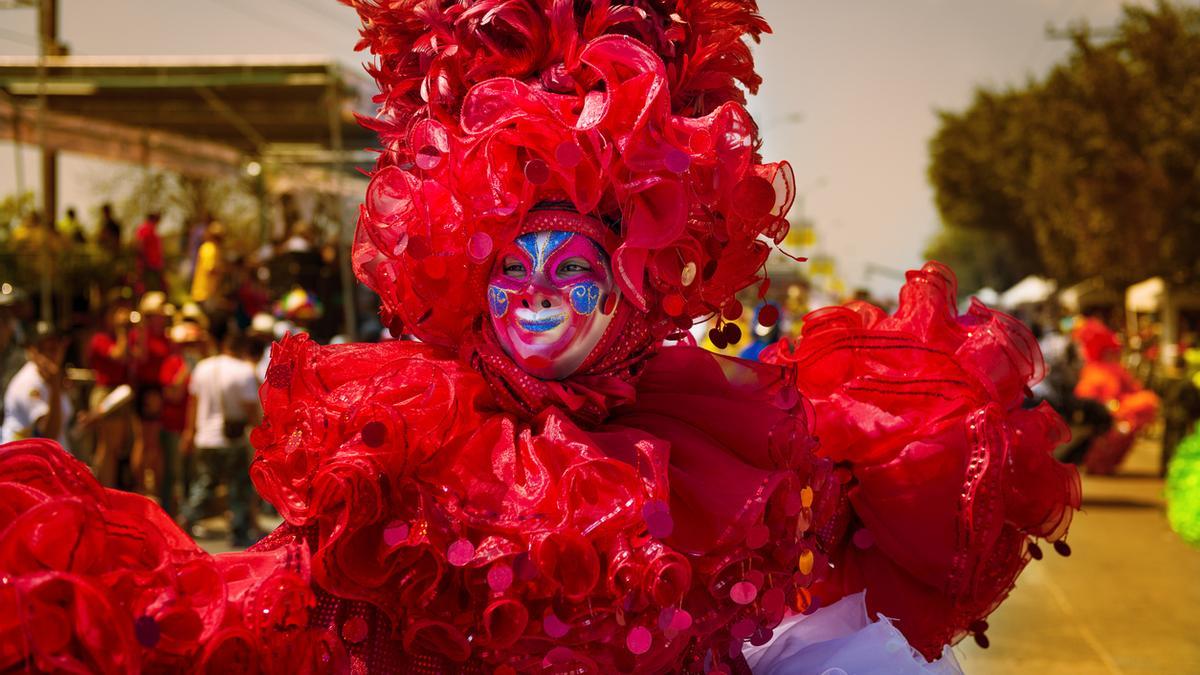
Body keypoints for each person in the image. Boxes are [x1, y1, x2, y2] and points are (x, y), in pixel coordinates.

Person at [0, 3, 1080, 673]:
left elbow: (880, 532)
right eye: (510, 269)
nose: (538, 298)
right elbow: (290, 616)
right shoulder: (399, 454)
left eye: (572, 270)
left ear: (638, 283)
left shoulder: (746, 448)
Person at [180, 323, 259, 547]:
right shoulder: (243, 372)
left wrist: (189, 433)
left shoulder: (203, 368)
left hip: (205, 438)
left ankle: (184, 519)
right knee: (238, 487)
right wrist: (263, 432)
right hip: (231, 439)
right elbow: (251, 410)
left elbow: (192, 404)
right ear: (243, 348)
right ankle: (238, 532)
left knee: (204, 484)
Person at [0, 322, 71, 447]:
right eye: (45, 349)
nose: (53, 353)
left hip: (42, 459)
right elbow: (49, 435)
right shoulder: (27, 382)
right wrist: (55, 387)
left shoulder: (50, 377)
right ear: (32, 351)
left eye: (56, 346)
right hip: (21, 460)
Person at [134, 212, 165, 292]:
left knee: (154, 286)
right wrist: (144, 261)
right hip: (148, 264)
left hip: (153, 264)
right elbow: (141, 245)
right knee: (148, 287)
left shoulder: (150, 229)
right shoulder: (146, 229)